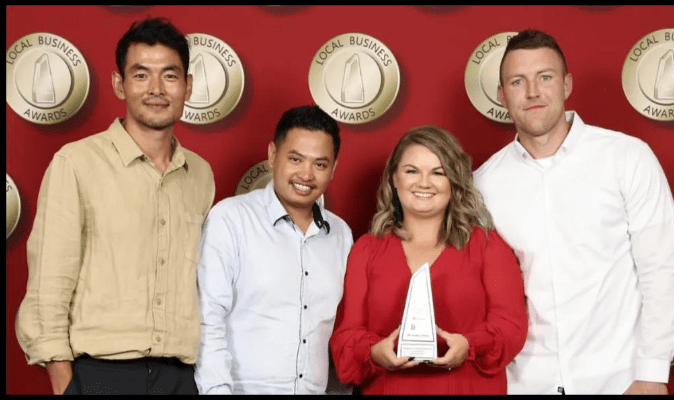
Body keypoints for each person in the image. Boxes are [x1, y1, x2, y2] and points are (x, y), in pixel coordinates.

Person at [473, 29, 674, 395]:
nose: (534, 91)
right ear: (502, 95)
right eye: (518, 81)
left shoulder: (627, 158)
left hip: (620, 381)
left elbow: (661, 272)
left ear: (567, 84)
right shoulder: (483, 184)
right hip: (524, 383)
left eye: (546, 77)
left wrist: (652, 374)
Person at [15, 18, 215, 395]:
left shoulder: (200, 174)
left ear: (188, 85)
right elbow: (48, 285)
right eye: (141, 75)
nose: (156, 89)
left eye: (169, 76)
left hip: (180, 376)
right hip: (99, 374)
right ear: (119, 84)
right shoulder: (76, 163)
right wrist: (65, 383)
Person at [330, 125, 528, 394]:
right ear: (394, 178)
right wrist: (374, 352)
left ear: (454, 181)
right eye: (412, 171)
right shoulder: (366, 250)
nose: (424, 182)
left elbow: (511, 326)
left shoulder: (487, 246)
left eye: (438, 173)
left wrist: (470, 345)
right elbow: (345, 338)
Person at [194, 105, 353, 394]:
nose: (306, 174)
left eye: (320, 164)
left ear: (333, 168)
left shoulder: (341, 234)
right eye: (295, 159)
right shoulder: (230, 219)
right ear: (272, 155)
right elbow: (208, 317)